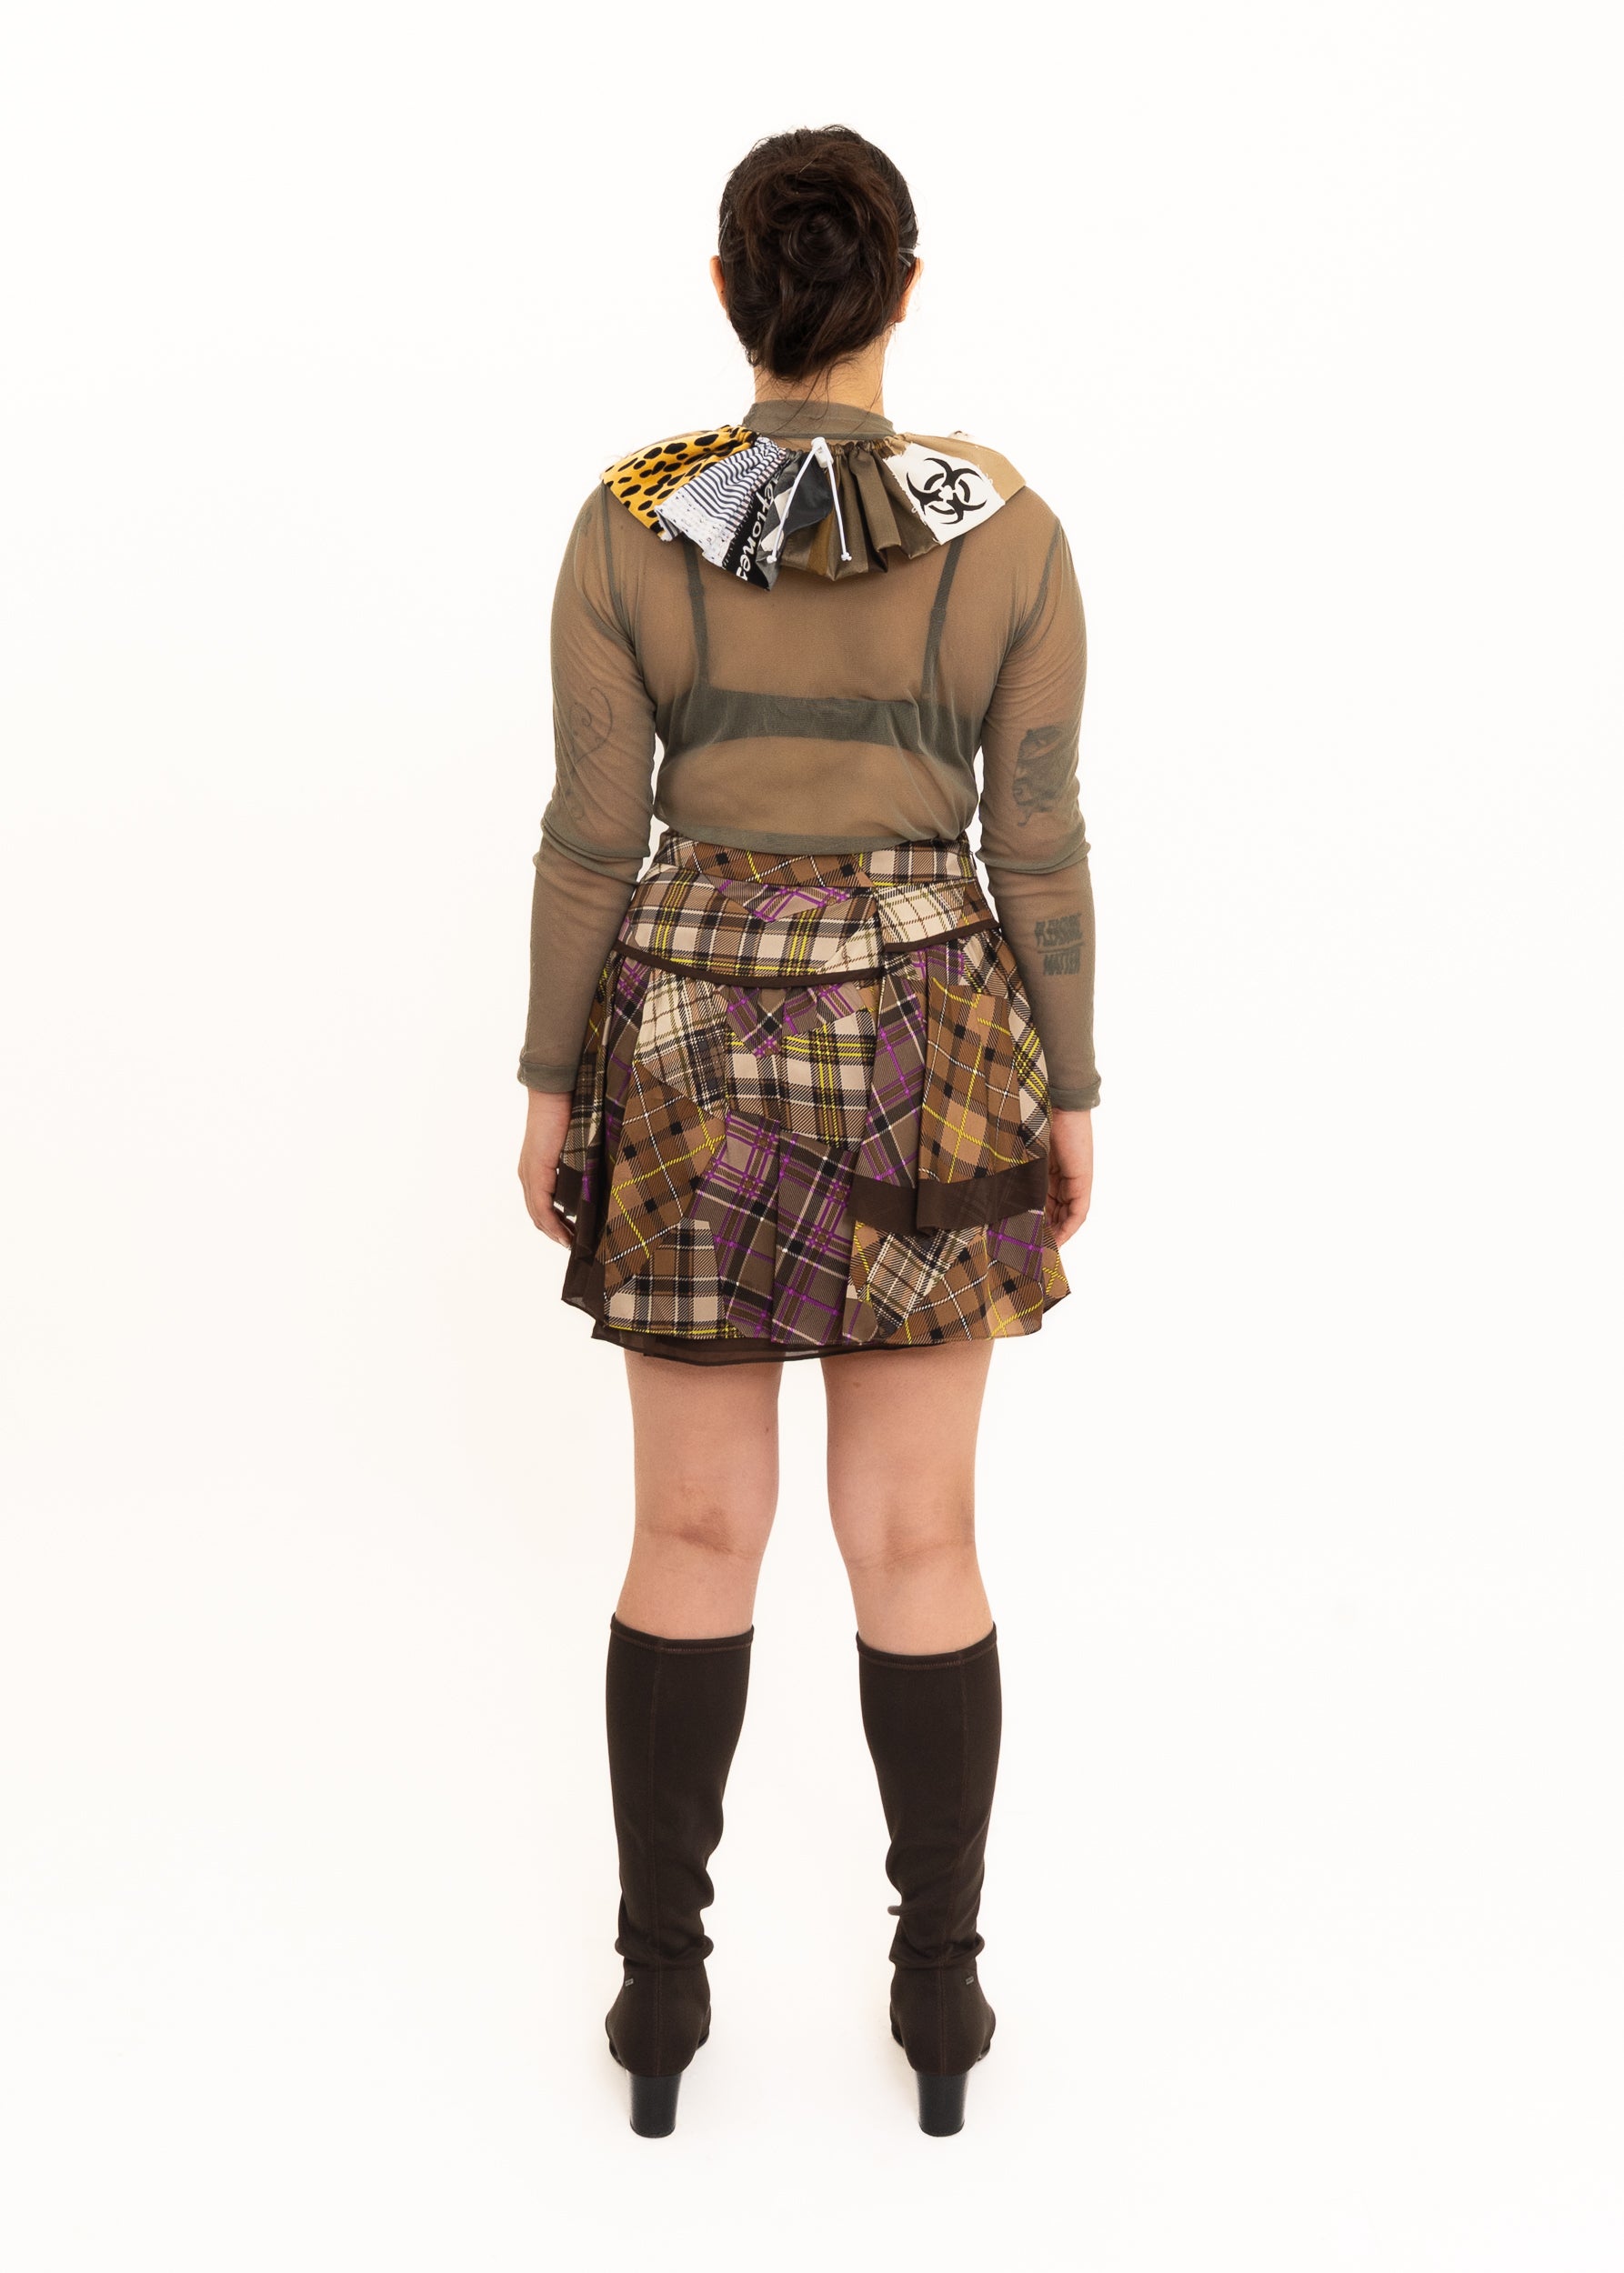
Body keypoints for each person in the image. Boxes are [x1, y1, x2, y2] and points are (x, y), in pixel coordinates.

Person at [516, 125, 1098, 2138]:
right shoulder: (1008, 530)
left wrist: (546, 1080)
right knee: (917, 1536)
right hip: (935, 1036)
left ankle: (657, 1995)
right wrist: (1073, 1089)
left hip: (685, 1038)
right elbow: (1036, 845)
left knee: (690, 1530)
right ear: (904, 291)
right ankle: (938, 1996)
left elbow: (591, 835)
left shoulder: (629, 522)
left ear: (725, 292)